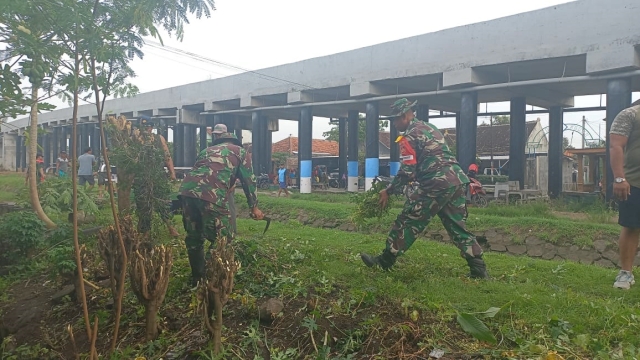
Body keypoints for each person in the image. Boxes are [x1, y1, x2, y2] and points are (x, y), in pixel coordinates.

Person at [360, 98, 489, 279]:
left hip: (435, 183)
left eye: (395, 120)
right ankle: (479, 270)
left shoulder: (409, 137)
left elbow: (407, 171)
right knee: (456, 225)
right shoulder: (430, 128)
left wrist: (388, 191)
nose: (394, 124)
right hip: (457, 180)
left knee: (407, 220)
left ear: (405, 116)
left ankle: (384, 262)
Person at [178, 125, 264, 286]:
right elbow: (249, 181)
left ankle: (197, 279)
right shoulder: (240, 152)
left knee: (194, 238)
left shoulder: (206, 151)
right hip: (211, 195)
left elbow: (205, 171)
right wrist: (254, 207)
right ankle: (213, 279)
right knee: (224, 238)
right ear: (235, 142)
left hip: (187, 192)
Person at [609, 99, 640, 290]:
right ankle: (625, 274)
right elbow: (616, 146)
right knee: (632, 227)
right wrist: (619, 178)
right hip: (635, 182)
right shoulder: (630, 114)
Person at [133, 117, 179, 238]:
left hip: (158, 174)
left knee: (163, 201)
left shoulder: (159, 139)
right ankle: (145, 231)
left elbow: (167, 156)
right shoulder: (136, 140)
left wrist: (172, 173)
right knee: (143, 204)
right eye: (143, 127)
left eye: (148, 126)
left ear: (151, 127)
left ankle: (171, 228)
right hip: (141, 176)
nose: (146, 129)